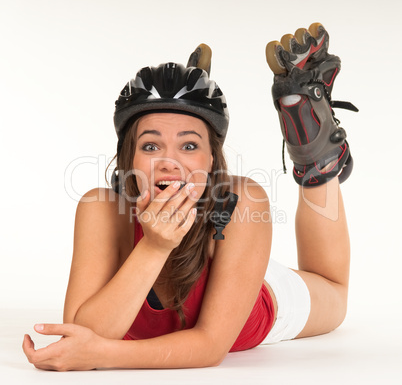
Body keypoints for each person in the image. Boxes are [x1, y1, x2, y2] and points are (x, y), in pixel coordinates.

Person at [23, 23, 357, 371]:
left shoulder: (241, 200)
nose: (169, 163)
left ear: (212, 159)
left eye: (189, 145)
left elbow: (210, 346)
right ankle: (188, 110)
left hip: (250, 286)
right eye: (151, 145)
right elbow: (83, 335)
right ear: (129, 158)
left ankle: (315, 151)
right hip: (203, 247)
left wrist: (105, 355)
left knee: (335, 294)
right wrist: (153, 246)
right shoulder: (101, 209)